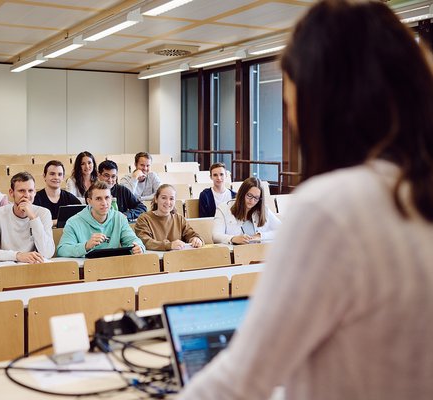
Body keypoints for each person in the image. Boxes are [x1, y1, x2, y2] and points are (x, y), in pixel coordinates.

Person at [179, 1, 433, 399]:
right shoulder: (414, 192)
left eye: (292, 103)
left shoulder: (332, 207)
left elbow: (239, 382)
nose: (293, 121)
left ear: (325, 105)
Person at [0, 172, 54, 263]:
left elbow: (47, 253)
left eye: (30, 191)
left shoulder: (43, 213)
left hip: (33, 267)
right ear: (11, 192)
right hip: (7, 268)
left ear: (34, 192)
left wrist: (33, 218)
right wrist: (17, 256)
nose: (26, 195)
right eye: (21, 191)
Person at [56, 181, 144, 258]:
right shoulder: (73, 222)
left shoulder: (119, 218)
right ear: (89, 201)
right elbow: (62, 250)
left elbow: (132, 240)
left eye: (107, 198)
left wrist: (138, 247)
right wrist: (86, 246)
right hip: (87, 270)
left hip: (114, 267)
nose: (104, 203)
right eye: (98, 199)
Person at [212, 177, 280, 244]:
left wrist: (260, 236)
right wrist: (233, 238)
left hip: (257, 252)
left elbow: (283, 230)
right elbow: (216, 236)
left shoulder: (263, 209)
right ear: (242, 193)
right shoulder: (223, 208)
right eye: (249, 195)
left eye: (256, 198)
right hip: (234, 253)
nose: (252, 201)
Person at [134, 184, 203, 251]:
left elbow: (191, 234)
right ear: (156, 199)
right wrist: (169, 245)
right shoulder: (144, 219)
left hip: (178, 258)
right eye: (163, 198)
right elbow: (145, 241)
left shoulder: (179, 218)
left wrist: (196, 239)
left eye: (171, 199)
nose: (168, 202)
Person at [33, 160, 82, 226]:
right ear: (44, 176)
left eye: (59, 174)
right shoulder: (35, 199)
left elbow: (80, 220)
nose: (56, 177)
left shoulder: (71, 199)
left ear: (63, 177)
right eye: (52, 174)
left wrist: (52, 222)